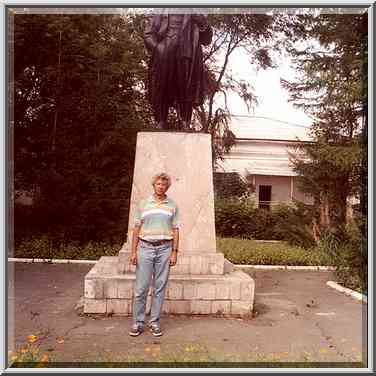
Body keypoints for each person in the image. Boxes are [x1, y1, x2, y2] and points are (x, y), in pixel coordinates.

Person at [129, 173, 180, 337]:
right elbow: (136, 229)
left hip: (165, 249)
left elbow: (176, 229)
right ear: (154, 185)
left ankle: (155, 322)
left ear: (167, 187)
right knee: (141, 288)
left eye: (163, 184)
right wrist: (133, 251)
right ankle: (137, 323)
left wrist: (174, 252)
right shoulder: (144, 204)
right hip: (145, 248)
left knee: (159, 288)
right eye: (158, 184)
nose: (160, 186)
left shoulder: (172, 205)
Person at [144, 11, 212, 130]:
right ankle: (161, 120)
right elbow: (148, 34)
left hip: (187, 52)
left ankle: (185, 121)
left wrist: (203, 23)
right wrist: (157, 47)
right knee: (162, 86)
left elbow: (206, 40)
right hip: (164, 51)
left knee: (186, 87)